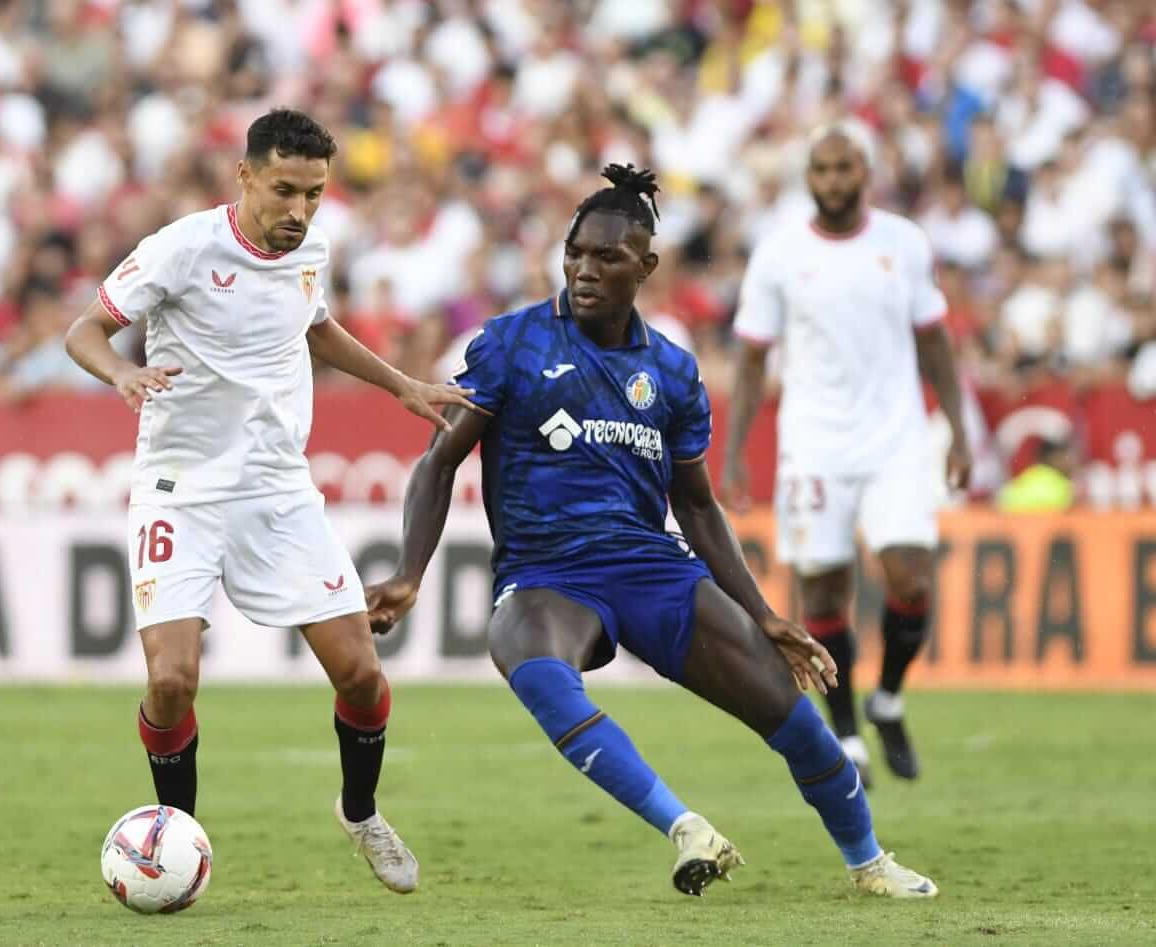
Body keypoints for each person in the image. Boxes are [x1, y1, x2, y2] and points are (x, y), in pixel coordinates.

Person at [365, 164, 939, 898]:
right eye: (575, 252)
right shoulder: (511, 344)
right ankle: (683, 825)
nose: (584, 269)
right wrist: (412, 570)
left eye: (607, 257)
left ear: (647, 265)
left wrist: (763, 615)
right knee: (527, 658)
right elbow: (438, 462)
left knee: (790, 716)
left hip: (651, 569)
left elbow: (696, 507)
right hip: (546, 573)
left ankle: (869, 862)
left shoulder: (671, 371)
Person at [65, 109, 478, 894]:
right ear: (245, 175)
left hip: (276, 488)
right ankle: (173, 839)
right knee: (172, 681)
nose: (299, 210)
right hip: (180, 487)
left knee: (360, 671)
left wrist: (401, 384)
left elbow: (314, 327)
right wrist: (119, 373)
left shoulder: (310, 248)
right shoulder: (180, 249)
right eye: (284, 190)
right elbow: (84, 329)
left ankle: (360, 811)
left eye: (314, 194)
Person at [723, 120, 972, 787]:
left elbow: (935, 340)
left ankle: (887, 695)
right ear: (809, 178)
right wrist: (736, 450)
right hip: (814, 442)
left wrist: (960, 428)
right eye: (822, 170)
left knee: (911, 577)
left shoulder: (905, 243)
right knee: (826, 585)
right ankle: (848, 729)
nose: (834, 181)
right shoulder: (778, 254)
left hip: (896, 438)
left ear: (866, 170)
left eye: (845, 168)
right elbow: (750, 357)